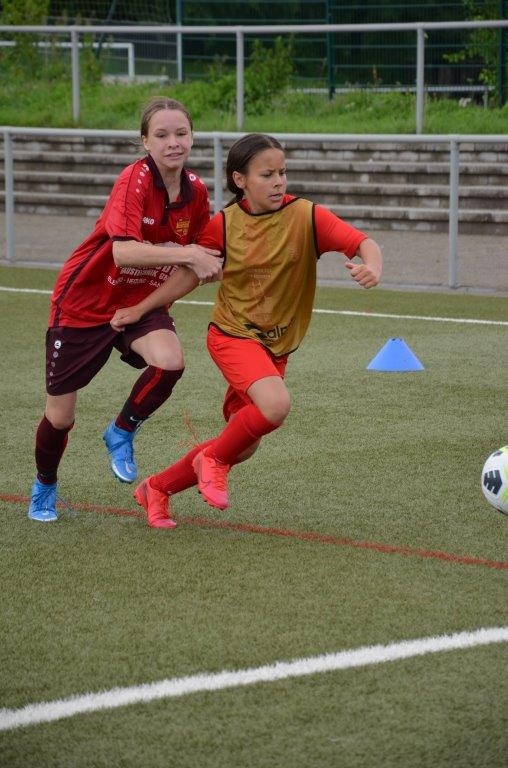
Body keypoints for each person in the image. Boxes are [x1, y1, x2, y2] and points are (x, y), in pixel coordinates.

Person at [110, 132, 383, 528]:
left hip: (276, 346)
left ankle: (157, 488)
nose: (278, 182)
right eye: (267, 175)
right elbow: (189, 275)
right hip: (232, 335)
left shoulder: (307, 216)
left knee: (242, 447)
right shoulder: (224, 225)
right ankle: (212, 461)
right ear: (240, 180)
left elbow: (363, 242)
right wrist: (141, 309)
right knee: (275, 406)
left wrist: (372, 266)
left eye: (282, 173)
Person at [28, 96, 223, 524]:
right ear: (145, 141)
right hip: (84, 302)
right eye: (162, 135)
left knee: (170, 361)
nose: (173, 142)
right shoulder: (134, 180)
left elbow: (194, 270)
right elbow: (123, 252)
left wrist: (144, 307)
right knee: (60, 417)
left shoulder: (197, 191)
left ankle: (121, 431)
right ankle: (45, 484)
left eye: (181, 133)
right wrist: (190, 252)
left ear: (193, 137)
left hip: (140, 300)